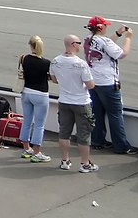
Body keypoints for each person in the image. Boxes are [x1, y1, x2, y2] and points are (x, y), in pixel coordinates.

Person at [83, 15, 135, 154]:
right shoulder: (104, 41)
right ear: (100, 27)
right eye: (105, 25)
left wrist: (118, 34)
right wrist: (128, 38)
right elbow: (122, 54)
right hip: (107, 82)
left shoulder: (87, 39)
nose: (107, 27)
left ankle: (97, 141)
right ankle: (121, 146)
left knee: (97, 113)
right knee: (115, 114)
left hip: (93, 81)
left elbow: (105, 46)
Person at [50, 34, 98, 172]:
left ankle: (65, 160)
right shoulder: (80, 64)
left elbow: (54, 79)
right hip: (81, 102)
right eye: (78, 42)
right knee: (84, 134)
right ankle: (85, 164)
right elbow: (90, 85)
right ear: (73, 44)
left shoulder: (55, 61)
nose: (80, 45)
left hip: (64, 101)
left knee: (64, 133)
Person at [17, 36, 52, 162]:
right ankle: (37, 151)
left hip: (26, 92)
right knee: (39, 124)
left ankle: (26, 148)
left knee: (27, 121)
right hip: (41, 94)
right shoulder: (46, 63)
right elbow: (50, 78)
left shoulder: (24, 58)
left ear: (30, 45)